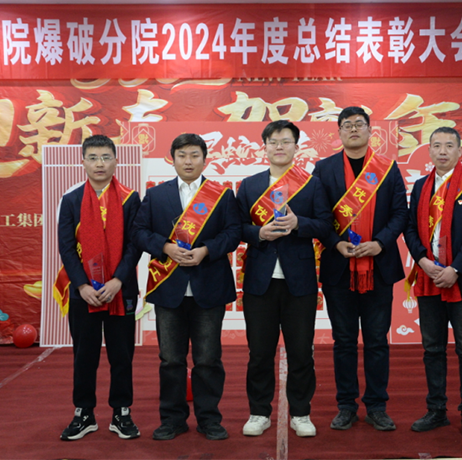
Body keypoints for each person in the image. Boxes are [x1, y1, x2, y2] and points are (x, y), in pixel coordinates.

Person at [133, 133, 241, 441]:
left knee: (208, 359)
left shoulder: (221, 194)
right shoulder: (156, 195)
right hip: (169, 289)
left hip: (209, 287)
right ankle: (172, 419)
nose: (188, 161)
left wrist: (206, 250)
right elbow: (139, 232)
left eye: (194, 155)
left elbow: (233, 232)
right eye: (182, 155)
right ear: (173, 159)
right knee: (171, 360)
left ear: (205, 159)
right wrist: (165, 247)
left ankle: (209, 419)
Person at [312, 106, 408, 432]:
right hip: (339, 266)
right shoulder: (323, 169)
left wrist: (380, 242)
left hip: (378, 266)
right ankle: (346, 405)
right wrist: (335, 242)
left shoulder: (387, 168)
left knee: (377, 340)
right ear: (339, 132)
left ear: (370, 130)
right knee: (344, 340)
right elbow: (319, 214)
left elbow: (400, 213)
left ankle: (377, 406)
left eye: (359, 124)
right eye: (347, 125)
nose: (353, 129)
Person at [236, 120, 333, 438]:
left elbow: (325, 225)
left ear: (296, 147)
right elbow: (236, 227)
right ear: (264, 147)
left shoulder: (312, 184)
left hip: (299, 280)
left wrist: (298, 223)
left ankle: (301, 413)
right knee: (259, 352)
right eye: (273, 141)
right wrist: (259, 233)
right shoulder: (249, 185)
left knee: (301, 351)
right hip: (260, 280)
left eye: (286, 141)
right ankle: (259, 412)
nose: (279, 146)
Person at [403, 127, 462, 439]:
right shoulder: (421, 185)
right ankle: (436, 410)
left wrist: (455, 268)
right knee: (432, 347)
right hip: (429, 277)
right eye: (437, 146)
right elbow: (410, 228)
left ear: (459, 150)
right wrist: (422, 260)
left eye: (449, 146)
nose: (442, 151)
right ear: (429, 150)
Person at [55, 134, 143, 441]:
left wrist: (118, 280)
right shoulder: (71, 200)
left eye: (106, 157)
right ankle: (84, 413)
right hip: (84, 294)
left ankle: (122, 412)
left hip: (121, 290)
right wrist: (81, 285)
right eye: (93, 158)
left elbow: (134, 245)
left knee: (122, 355)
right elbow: (66, 248)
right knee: (85, 355)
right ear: (83, 162)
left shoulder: (130, 199)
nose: (99, 164)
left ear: (116, 161)